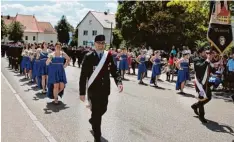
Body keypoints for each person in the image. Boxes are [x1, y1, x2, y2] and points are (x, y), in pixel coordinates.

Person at [79, 35, 123, 142]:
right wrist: (82, 92)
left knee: (103, 109)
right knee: (97, 114)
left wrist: (119, 82)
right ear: (95, 44)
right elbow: (83, 75)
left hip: (105, 89)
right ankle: (97, 137)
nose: (101, 45)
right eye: (98, 43)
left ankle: (93, 120)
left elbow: (114, 70)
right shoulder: (88, 56)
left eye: (103, 43)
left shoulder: (108, 56)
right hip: (93, 90)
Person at [191, 47, 215, 123]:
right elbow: (200, 68)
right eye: (205, 52)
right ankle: (201, 116)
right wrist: (207, 60)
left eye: (207, 53)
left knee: (209, 97)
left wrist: (211, 62)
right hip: (200, 84)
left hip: (206, 83)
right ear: (200, 53)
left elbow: (212, 70)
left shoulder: (206, 60)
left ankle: (195, 105)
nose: (206, 54)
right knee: (201, 99)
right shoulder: (196, 60)